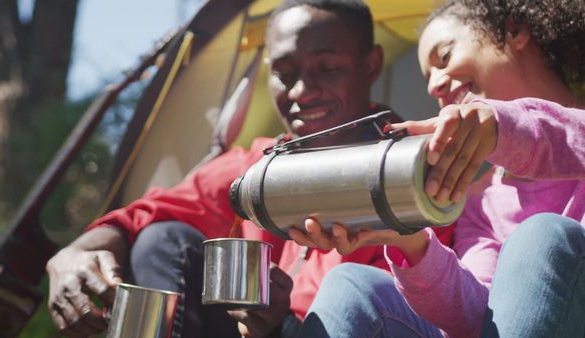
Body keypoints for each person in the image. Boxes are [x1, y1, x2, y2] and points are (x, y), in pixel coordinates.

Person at [45, 1, 454, 337]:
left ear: (371, 65)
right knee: (161, 238)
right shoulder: (259, 162)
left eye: (327, 68)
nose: (300, 92)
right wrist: (75, 254)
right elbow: (151, 212)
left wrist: (283, 326)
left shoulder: (412, 178)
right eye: (284, 73)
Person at [288, 0, 585, 337]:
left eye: (444, 57)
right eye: (428, 80)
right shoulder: (480, 202)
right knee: (351, 284)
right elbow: (479, 319)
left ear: (515, 31)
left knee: (540, 235)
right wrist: (408, 238)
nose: (433, 87)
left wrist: (504, 124)